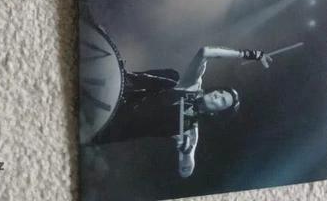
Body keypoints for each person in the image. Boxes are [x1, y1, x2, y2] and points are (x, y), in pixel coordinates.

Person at [91, 44, 270, 177]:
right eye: (221, 92)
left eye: (222, 100)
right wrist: (248, 54)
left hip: (110, 128)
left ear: (215, 113)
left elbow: (186, 171)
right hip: (117, 97)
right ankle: (123, 77)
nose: (218, 95)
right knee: (172, 76)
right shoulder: (191, 86)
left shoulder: (190, 126)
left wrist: (185, 150)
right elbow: (205, 52)